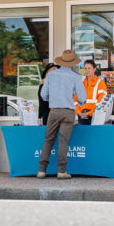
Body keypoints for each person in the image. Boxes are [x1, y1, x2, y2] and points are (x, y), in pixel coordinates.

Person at [37, 49, 86, 180]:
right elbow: (82, 98)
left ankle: (41, 170)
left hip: (54, 111)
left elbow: (43, 95)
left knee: (48, 140)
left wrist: (53, 99)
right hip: (68, 112)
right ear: (72, 64)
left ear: (61, 62)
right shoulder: (76, 77)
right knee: (63, 141)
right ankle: (61, 171)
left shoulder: (51, 75)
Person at [75, 59, 107, 125]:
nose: (87, 70)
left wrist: (90, 113)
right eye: (85, 68)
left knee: (94, 135)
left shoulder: (100, 83)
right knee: (83, 135)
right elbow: (75, 100)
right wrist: (79, 112)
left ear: (94, 69)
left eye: (89, 68)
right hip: (81, 116)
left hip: (94, 116)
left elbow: (101, 101)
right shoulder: (80, 83)